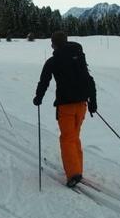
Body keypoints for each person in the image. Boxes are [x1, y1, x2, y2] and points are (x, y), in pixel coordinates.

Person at [33, 31, 96, 188]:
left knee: (67, 139)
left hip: (66, 105)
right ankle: (77, 169)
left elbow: (44, 82)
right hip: (82, 104)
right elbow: (89, 79)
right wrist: (93, 101)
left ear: (54, 44)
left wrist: (38, 98)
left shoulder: (53, 61)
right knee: (74, 136)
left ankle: (73, 174)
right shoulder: (78, 56)